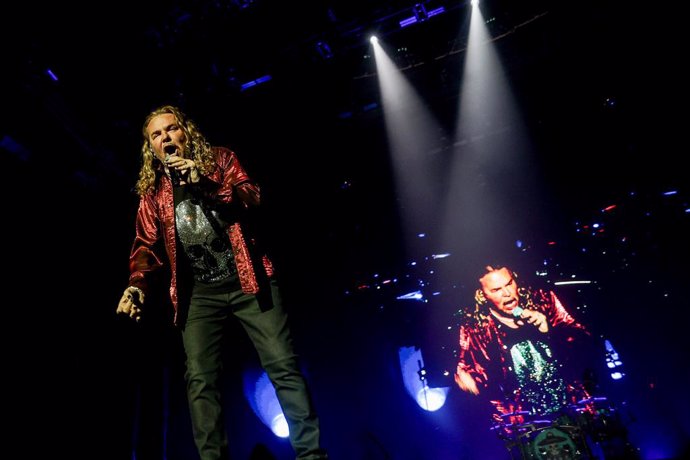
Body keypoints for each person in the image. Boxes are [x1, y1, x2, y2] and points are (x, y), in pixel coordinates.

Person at [116, 105, 328, 460]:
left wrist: (207, 183)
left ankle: (311, 456)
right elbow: (146, 245)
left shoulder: (220, 160)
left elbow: (254, 199)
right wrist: (136, 285)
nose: (166, 137)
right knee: (200, 380)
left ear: (186, 132)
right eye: (157, 134)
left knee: (282, 366)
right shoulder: (152, 192)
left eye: (171, 129)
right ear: (150, 147)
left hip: (250, 282)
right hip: (199, 294)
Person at [454, 264, 592, 422]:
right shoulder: (476, 326)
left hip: (573, 408)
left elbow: (585, 343)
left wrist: (551, 333)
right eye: (496, 290)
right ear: (482, 295)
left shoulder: (542, 300)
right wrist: (470, 383)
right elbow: (471, 371)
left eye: (509, 283)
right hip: (523, 422)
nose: (507, 293)